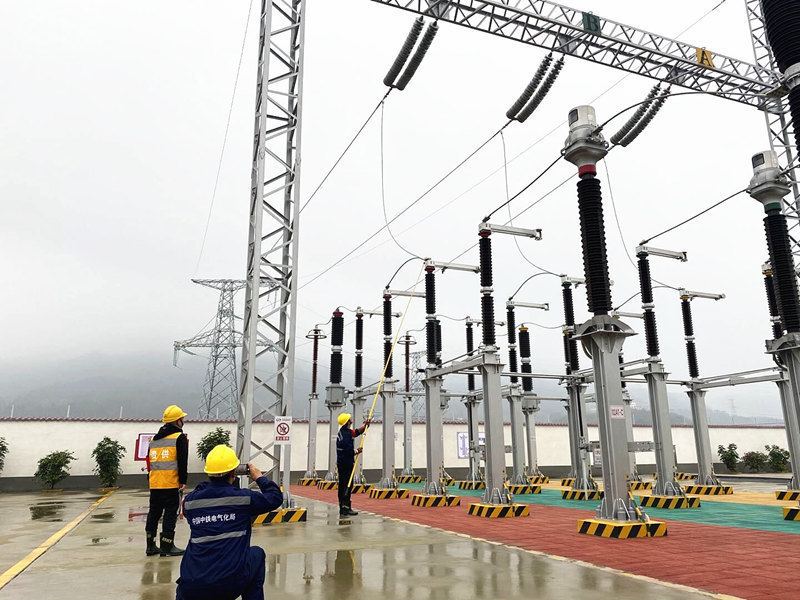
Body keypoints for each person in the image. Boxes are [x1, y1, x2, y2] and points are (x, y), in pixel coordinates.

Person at [176, 445, 283, 600]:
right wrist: (259, 477)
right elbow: (275, 498)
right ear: (234, 472)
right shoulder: (243, 499)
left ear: (208, 473)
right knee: (257, 554)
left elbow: (189, 503)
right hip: (228, 584)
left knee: (185, 589)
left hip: (192, 585)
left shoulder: (191, 502)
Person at [145, 404, 189, 557]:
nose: (183, 421)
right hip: (171, 483)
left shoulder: (153, 440)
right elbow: (182, 461)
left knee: (154, 514)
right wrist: (183, 481)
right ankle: (167, 546)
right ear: (177, 421)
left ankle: (150, 546)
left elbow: (149, 461)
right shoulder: (179, 438)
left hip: (155, 483)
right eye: (182, 418)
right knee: (171, 514)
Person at [336, 412, 369, 516]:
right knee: (347, 485)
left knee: (343, 485)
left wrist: (365, 426)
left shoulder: (344, 431)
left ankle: (343, 507)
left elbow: (355, 432)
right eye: (350, 418)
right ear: (347, 422)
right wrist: (357, 451)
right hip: (346, 463)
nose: (351, 418)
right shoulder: (345, 435)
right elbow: (347, 451)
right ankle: (346, 508)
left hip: (343, 463)